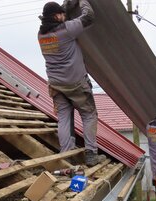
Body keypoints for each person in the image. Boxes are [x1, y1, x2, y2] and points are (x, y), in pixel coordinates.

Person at [38, 0, 101, 167]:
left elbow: (55, 19)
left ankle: (66, 154)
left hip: (56, 85)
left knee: (64, 120)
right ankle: (91, 153)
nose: (64, 16)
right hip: (76, 84)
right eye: (61, 14)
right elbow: (88, 17)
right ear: (56, 16)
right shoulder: (66, 30)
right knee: (89, 115)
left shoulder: (41, 35)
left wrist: (65, 7)